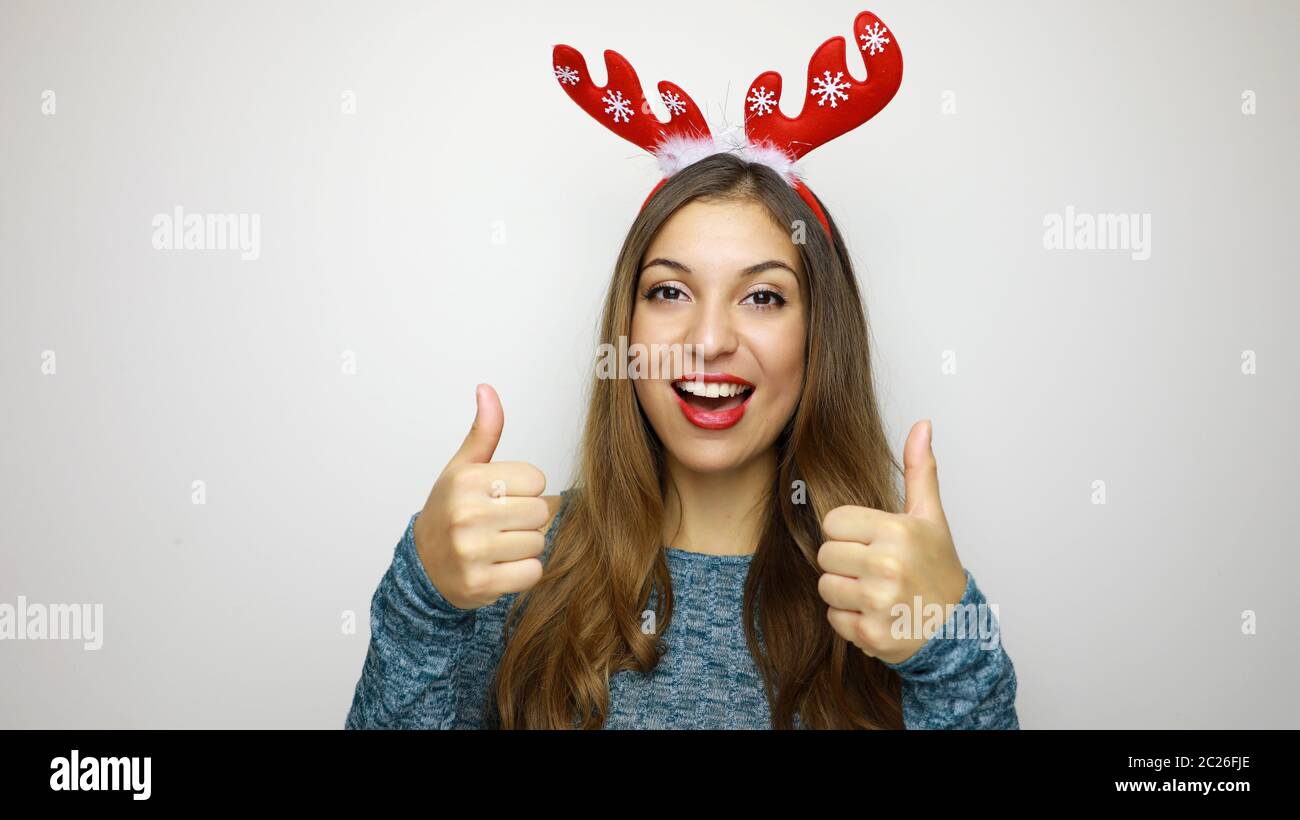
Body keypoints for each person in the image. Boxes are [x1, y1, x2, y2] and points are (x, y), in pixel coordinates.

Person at [344, 151, 1019, 729]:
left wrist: (953, 649)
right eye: (669, 291)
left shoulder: (898, 589)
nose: (708, 341)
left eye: (763, 297)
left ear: (821, 338)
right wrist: (422, 599)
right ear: (628, 333)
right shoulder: (505, 566)